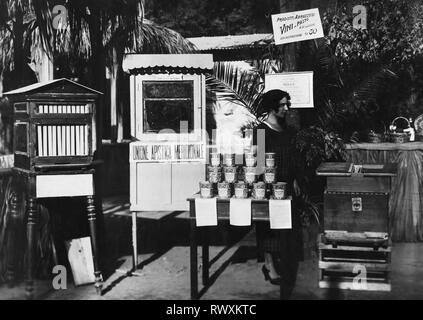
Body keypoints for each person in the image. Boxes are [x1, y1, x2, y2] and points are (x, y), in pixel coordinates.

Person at [252, 89, 303, 299]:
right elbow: (258, 165)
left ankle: (281, 261)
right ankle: (269, 263)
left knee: (286, 228)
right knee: (268, 228)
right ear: (272, 106)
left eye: (287, 104)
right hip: (269, 186)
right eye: (282, 105)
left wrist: (296, 179)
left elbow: (294, 158)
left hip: (288, 185)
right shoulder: (261, 132)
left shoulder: (289, 130)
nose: (286, 108)